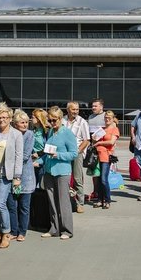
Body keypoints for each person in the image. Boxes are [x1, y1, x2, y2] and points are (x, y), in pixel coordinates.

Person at [0, 104, 23, 249]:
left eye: (5, 117)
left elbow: (19, 157)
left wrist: (17, 176)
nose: (2, 120)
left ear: (10, 118)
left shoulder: (16, 134)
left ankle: (6, 233)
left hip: (7, 175)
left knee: (1, 203)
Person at [41, 106, 76, 239]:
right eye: (50, 120)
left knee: (63, 202)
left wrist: (58, 155)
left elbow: (73, 154)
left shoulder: (67, 133)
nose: (52, 123)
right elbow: (47, 152)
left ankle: (67, 230)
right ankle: (54, 228)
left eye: (54, 120)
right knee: (52, 202)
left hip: (62, 171)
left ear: (61, 119)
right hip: (49, 171)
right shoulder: (50, 132)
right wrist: (38, 160)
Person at [8, 109, 36, 241]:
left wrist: (11, 161)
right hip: (12, 176)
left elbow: (25, 155)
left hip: (25, 176)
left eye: (26, 122)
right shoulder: (11, 134)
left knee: (24, 205)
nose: (25, 125)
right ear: (15, 124)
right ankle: (14, 230)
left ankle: (22, 231)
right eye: (22, 122)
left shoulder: (29, 134)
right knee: (13, 204)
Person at [64, 101, 90, 213]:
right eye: (73, 109)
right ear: (68, 109)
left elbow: (87, 140)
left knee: (77, 178)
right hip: (63, 153)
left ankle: (80, 203)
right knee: (64, 178)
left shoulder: (82, 122)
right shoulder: (62, 120)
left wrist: (78, 151)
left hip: (76, 153)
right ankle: (66, 202)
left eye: (77, 109)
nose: (75, 111)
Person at [93, 110, 119, 209]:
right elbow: (95, 139)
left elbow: (111, 142)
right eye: (105, 118)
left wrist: (99, 143)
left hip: (106, 156)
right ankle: (100, 199)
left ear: (113, 119)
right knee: (98, 179)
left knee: (104, 179)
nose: (107, 119)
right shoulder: (102, 129)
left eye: (109, 118)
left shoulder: (114, 129)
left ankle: (107, 200)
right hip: (97, 156)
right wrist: (95, 139)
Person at [86, 99, 107, 202]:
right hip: (93, 149)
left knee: (102, 174)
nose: (93, 108)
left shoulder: (105, 116)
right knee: (94, 172)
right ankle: (95, 192)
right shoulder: (90, 117)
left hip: (103, 148)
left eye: (95, 106)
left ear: (101, 107)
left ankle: (103, 193)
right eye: (92, 106)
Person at [30, 108, 49, 189]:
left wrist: (38, 154)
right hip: (33, 160)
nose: (31, 119)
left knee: (42, 186)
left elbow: (49, 147)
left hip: (43, 161)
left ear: (39, 119)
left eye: (33, 117)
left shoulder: (46, 131)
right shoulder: (34, 130)